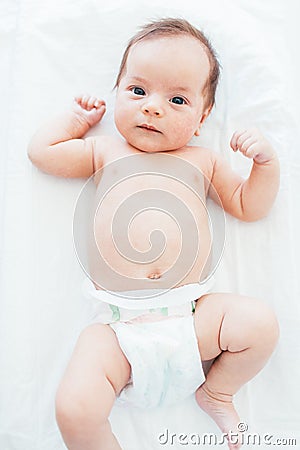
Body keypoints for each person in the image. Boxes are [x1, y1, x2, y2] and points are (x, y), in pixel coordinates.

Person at [28, 18, 280, 450]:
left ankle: (217, 391)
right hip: (118, 331)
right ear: (117, 92)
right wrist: (76, 120)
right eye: (138, 91)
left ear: (202, 119)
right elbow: (43, 153)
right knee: (74, 408)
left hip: (192, 319)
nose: (152, 107)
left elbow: (248, 206)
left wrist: (265, 165)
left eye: (177, 99)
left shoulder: (204, 162)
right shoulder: (104, 151)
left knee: (260, 325)